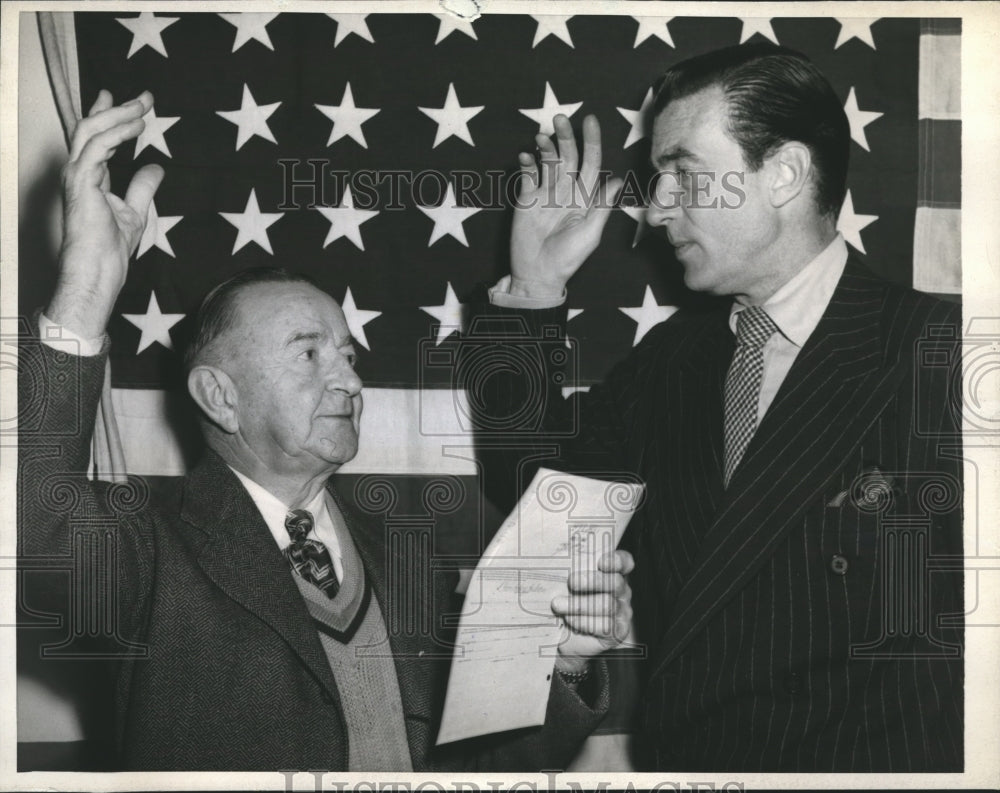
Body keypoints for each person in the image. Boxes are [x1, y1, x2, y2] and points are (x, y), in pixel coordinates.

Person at [18, 89, 636, 771]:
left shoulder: (405, 560)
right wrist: (85, 291)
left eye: (348, 355)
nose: (349, 380)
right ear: (219, 397)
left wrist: (565, 661)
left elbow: (484, 762)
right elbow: (28, 534)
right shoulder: (147, 546)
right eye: (309, 354)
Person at [469, 43, 963, 772]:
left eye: (684, 174)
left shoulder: (945, 352)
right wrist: (533, 288)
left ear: (784, 174)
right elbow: (539, 501)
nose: (657, 207)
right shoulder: (671, 361)